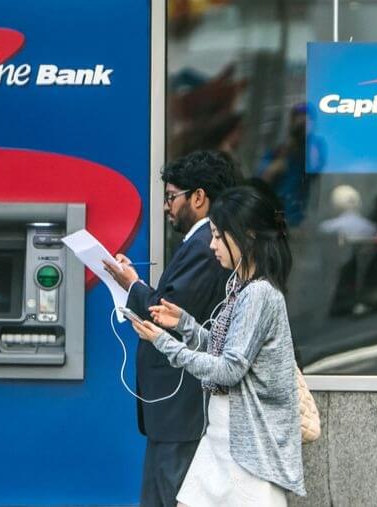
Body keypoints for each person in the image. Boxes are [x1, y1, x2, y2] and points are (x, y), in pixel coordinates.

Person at [129, 185, 306, 505]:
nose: (212, 245)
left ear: (245, 236)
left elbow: (229, 368)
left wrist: (164, 343)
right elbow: (227, 350)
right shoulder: (242, 287)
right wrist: (185, 324)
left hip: (244, 448)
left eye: (217, 235)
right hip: (227, 439)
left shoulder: (257, 294)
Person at [103, 150, 238, 507]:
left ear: (198, 197)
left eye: (170, 197)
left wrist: (131, 284)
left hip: (181, 403)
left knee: (169, 493)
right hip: (177, 402)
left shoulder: (202, 245)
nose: (166, 206)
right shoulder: (201, 243)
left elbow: (170, 312)